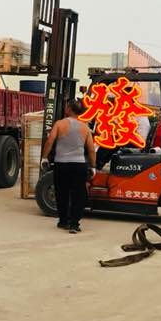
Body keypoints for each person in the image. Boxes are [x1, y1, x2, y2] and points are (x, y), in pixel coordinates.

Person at [41, 99, 97, 233]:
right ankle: (74, 224)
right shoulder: (85, 127)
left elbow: (50, 141)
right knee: (78, 194)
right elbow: (91, 149)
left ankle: (63, 221)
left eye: (66, 107)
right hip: (79, 165)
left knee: (62, 193)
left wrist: (44, 157)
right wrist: (93, 166)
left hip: (62, 164)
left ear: (69, 109)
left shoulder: (59, 124)